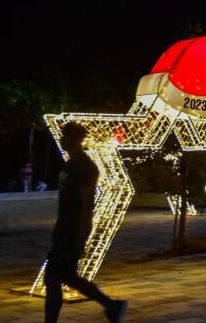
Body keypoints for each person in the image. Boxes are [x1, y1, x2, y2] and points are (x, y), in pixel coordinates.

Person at [44, 122, 127, 323]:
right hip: (62, 230)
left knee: (53, 277)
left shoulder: (86, 167)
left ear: (77, 139)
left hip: (71, 233)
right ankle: (112, 305)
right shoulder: (70, 164)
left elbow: (87, 205)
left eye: (67, 136)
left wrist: (81, 238)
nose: (63, 140)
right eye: (63, 136)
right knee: (68, 277)